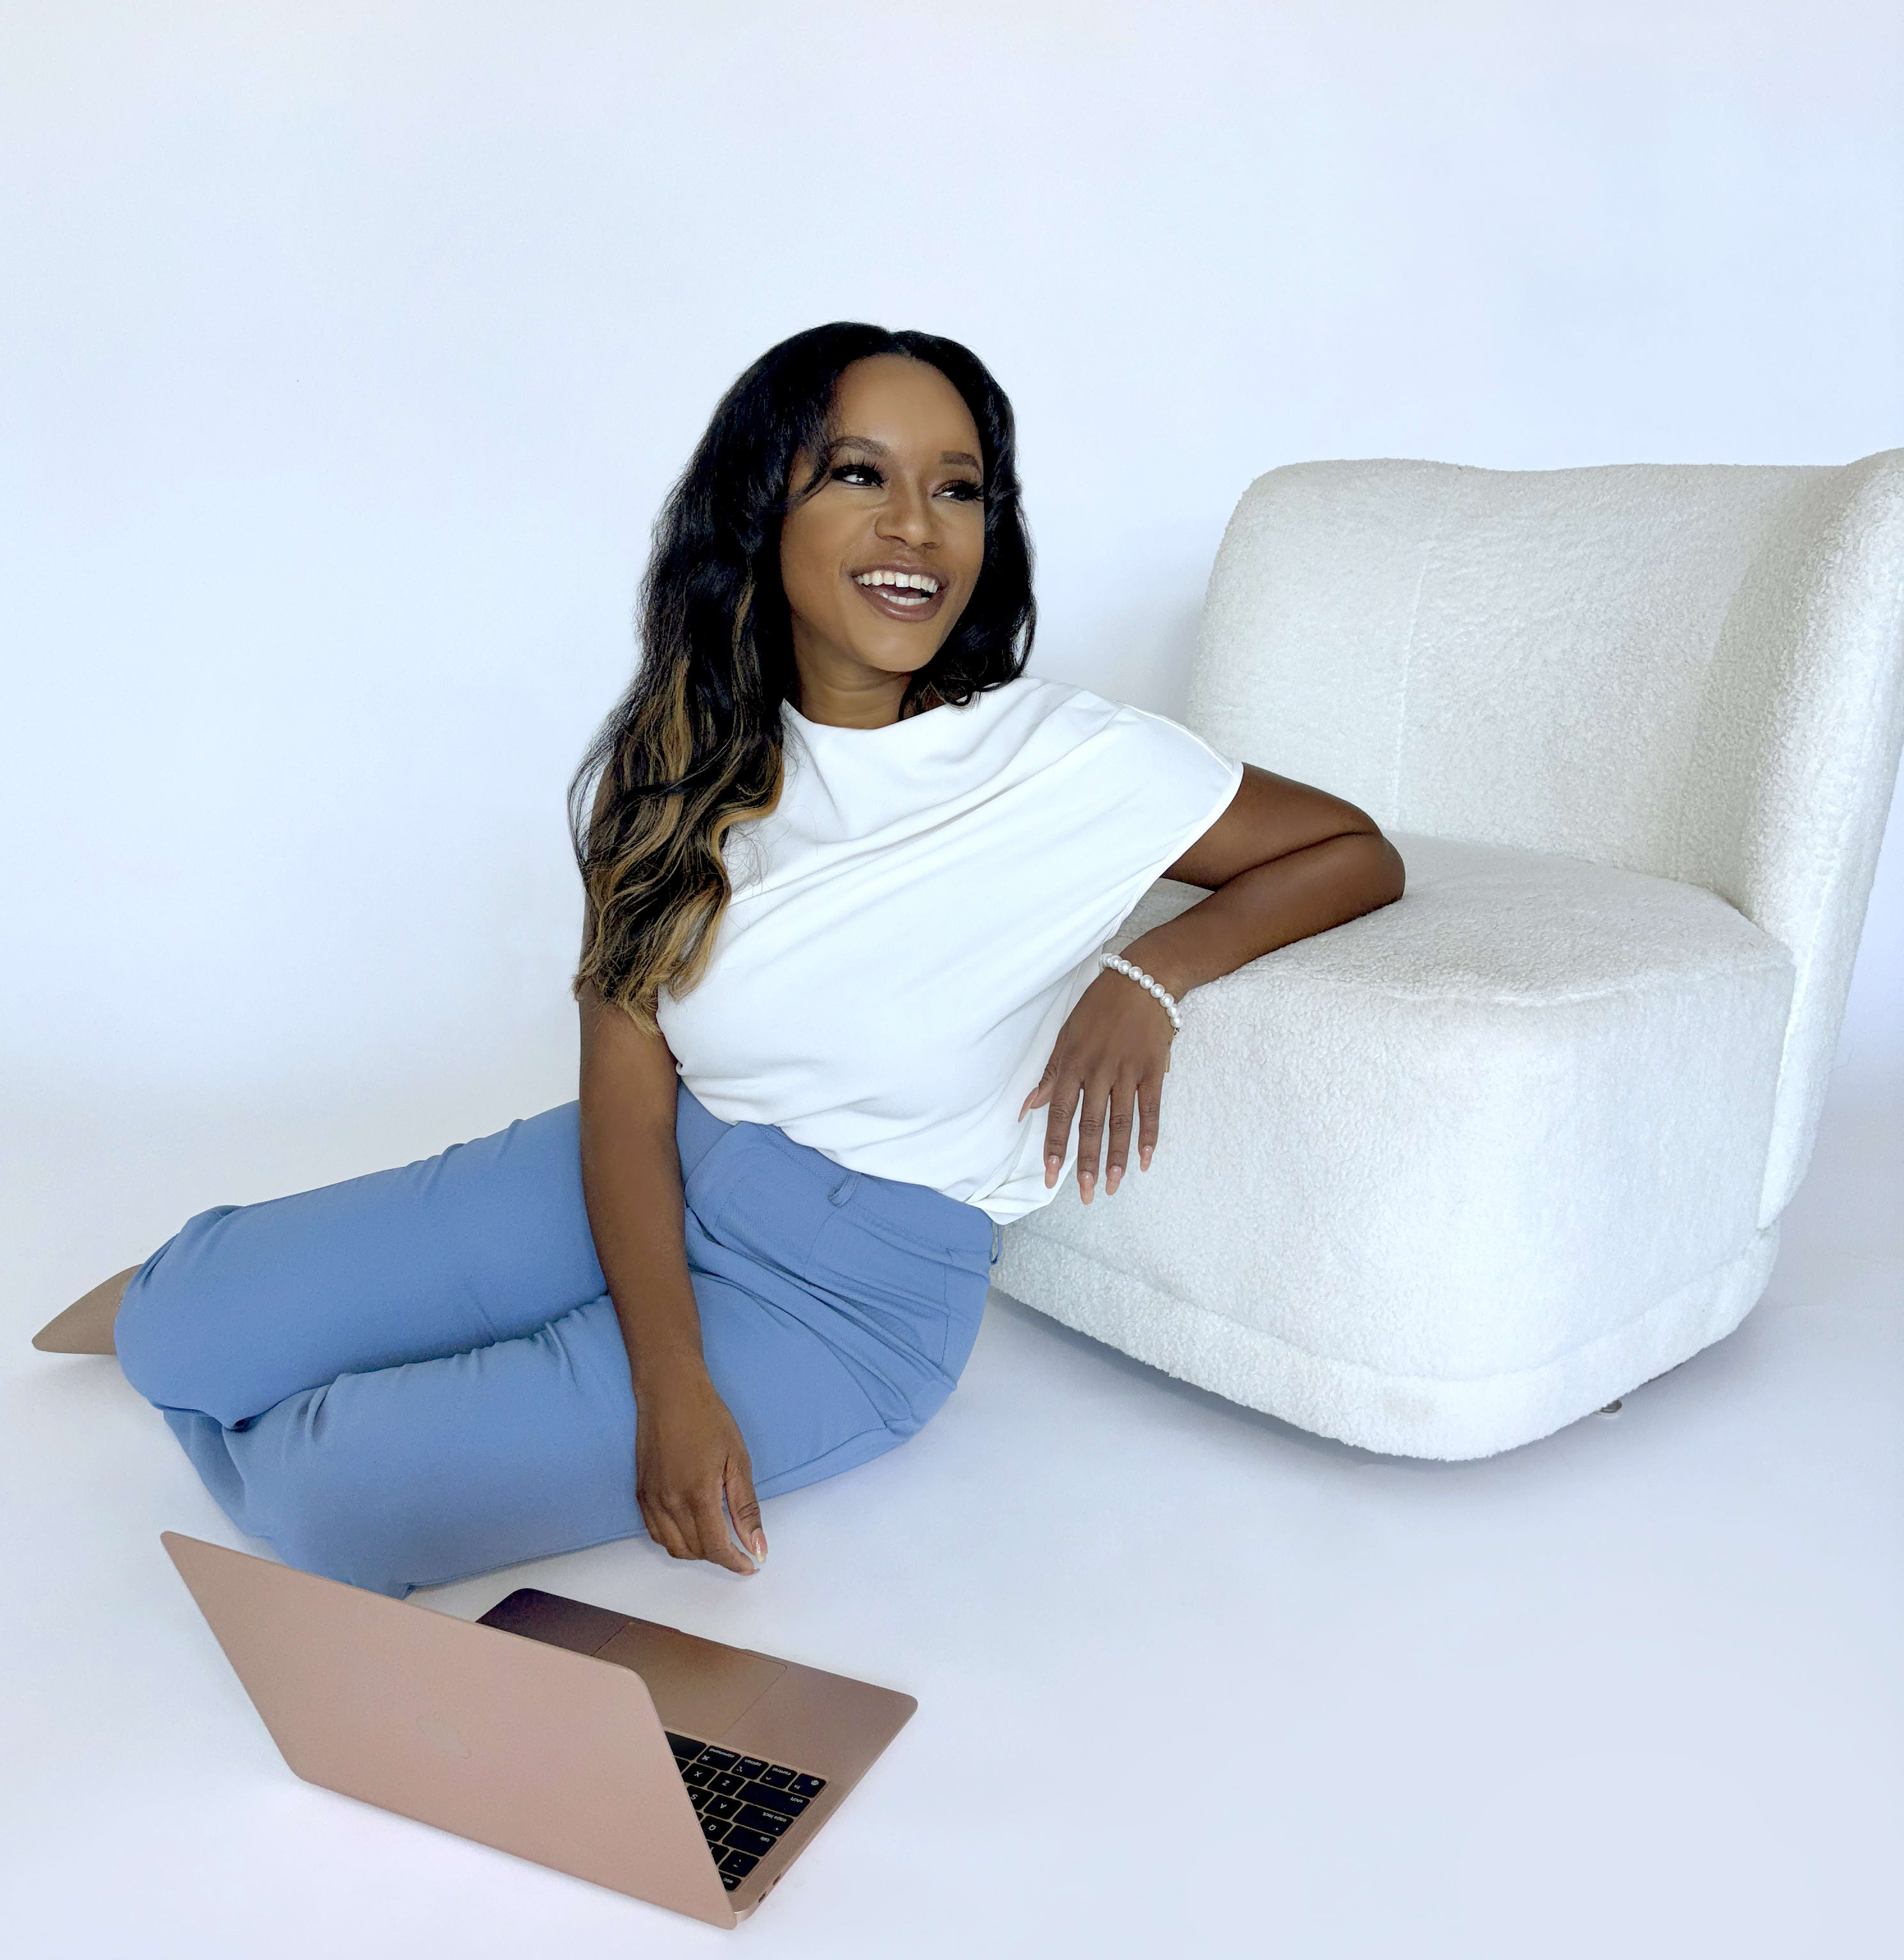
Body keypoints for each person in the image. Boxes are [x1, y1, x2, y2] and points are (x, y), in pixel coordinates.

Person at [33, 322, 1405, 1598]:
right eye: (859, 474)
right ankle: (193, 1324)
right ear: (765, 508)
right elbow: (629, 1099)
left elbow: (1351, 848)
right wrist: (664, 1366)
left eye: (959, 488)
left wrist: (1148, 976)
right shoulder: (683, 762)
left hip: (848, 1294)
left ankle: (294, 1402)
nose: (916, 525)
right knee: (185, 1328)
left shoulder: (1071, 761)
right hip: (667, 1162)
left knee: (326, 1498)